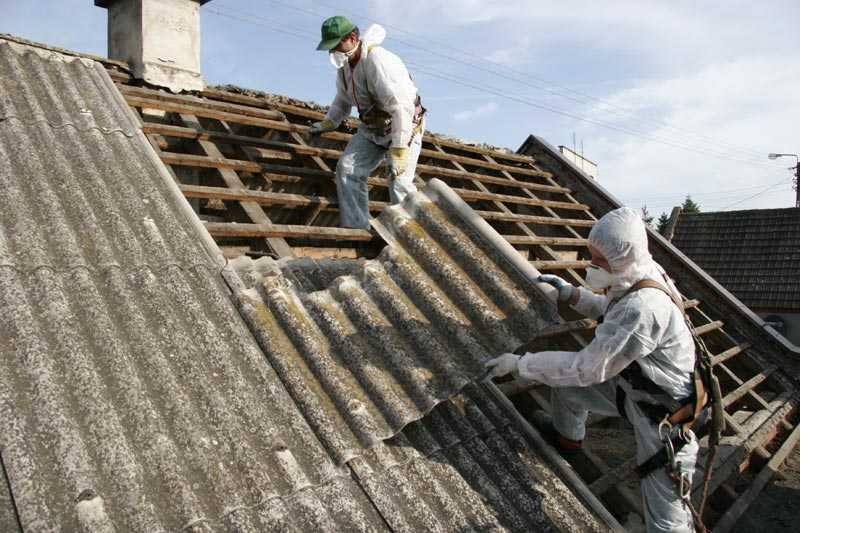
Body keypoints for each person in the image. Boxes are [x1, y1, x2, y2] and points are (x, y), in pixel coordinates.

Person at [485, 207, 700, 533]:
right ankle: (568, 442)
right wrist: (573, 295)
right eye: (592, 257)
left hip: (664, 418)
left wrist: (521, 364)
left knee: (666, 519)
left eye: (599, 261)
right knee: (566, 389)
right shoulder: (639, 272)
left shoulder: (644, 308)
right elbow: (611, 310)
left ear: (622, 257)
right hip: (635, 387)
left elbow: (587, 368)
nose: (593, 266)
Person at [308, 16, 426, 230]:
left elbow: (401, 107)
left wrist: (399, 148)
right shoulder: (345, 67)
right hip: (373, 128)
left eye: (336, 45)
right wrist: (329, 121)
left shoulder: (378, 61)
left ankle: (416, 234)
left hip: (403, 126)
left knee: (399, 181)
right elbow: (343, 99)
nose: (333, 51)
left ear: (352, 38)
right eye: (330, 47)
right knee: (347, 169)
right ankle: (357, 228)